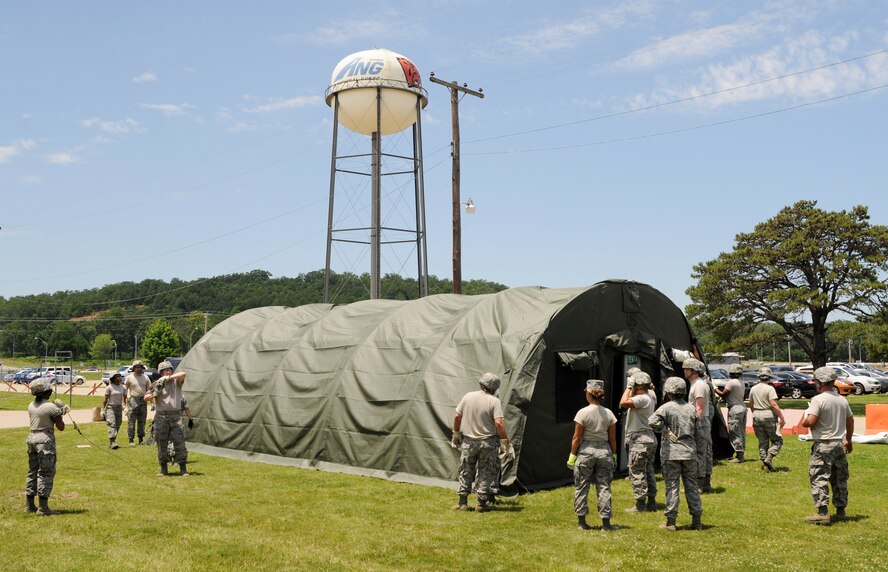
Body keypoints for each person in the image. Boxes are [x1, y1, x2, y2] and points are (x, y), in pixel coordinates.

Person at [451, 372, 514, 512]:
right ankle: (481, 503)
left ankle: (463, 502)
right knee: (486, 472)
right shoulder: (494, 401)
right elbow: (499, 423)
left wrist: (456, 433)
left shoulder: (468, 396)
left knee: (465, 470)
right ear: (494, 388)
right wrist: (505, 442)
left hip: (468, 442)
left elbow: (457, 415)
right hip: (488, 443)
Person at [800, 366, 854, 525]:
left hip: (823, 445)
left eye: (816, 380)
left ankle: (823, 513)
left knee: (819, 477)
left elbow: (810, 421)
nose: (815, 383)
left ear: (821, 382)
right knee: (839, 478)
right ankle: (841, 511)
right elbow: (850, 420)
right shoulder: (842, 399)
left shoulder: (818, 399)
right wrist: (848, 440)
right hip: (838, 444)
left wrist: (805, 420)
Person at [648, 376, 703, 531]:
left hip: (671, 453)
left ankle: (671, 522)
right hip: (689, 453)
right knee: (691, 486)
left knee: (672, 486)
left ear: (669, 391)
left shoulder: (666, 408)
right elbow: (699, 433)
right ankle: (697, 521)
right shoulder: (691, 408)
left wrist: (664, 430)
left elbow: (652, 421)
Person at [567, 379, 618, 531]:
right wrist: (614, 455)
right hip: (604, 451)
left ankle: (582, 522)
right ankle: (606, 524)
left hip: (586, 451)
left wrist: (572, 456)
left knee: (582, 486)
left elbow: (577, 437)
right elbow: (612, 438)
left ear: (589, 394)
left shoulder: (582, 412)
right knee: (604, 487)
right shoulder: (609, 413)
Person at [25, 377, 67, 515]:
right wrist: (60, 411)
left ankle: (29, 505)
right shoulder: (50, 407)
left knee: (33, 471)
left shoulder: (31, 405)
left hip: (31, 438)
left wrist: (58, 410)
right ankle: (43, 508)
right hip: (44, 440)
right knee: (46, 472)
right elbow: (61, 427)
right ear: (46, 392)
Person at [619, 371, 657, 512]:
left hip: (640, 440)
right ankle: (652, 502)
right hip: (649, 438)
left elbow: (623, 402)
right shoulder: (650, 396)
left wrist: (629, 387)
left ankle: (640, 504)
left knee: (637, 471)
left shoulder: (642, 398)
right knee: (648, 470)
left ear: (638, 386)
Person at [145, 360, 188, 476]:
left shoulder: (176, 382)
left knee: (179, 442)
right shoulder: (157, 384)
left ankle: (183, 468)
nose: (168, 372)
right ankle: (163, 469)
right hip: (161, 416)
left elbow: (183, 374)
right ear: (161, 372)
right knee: (161, 442)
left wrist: (169, 378)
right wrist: (153, 394)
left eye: (169, 369)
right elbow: (146, 397)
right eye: (165, 371)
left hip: (176, 415)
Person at [683, 357, 714, 493]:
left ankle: (699, 485)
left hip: (700, 422)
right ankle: (704, 484)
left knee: (699, 453)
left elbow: (699, 408)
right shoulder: (696, 383)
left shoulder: (699, 385)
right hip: (701, 422)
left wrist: (694, 424)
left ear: (695, 370)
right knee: (704, 452)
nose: (685, 371)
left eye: (687, 369)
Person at [748, 367, 786, 472]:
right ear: (769, 377)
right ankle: (769, 459)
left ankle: (765, 464)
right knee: (777, 440)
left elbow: (751, 404)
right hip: (768, 415)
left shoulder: (753, 388)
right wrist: (781, 417)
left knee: (762, 441)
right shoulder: (770, 389)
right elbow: (773, 404)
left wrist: (755, 413)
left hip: (756, 414)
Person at [715, 363, 747, 463]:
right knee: (741, 431)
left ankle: (739, 456)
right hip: (742, 407)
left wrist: (714, 388)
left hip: (735, 408)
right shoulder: (741, 382)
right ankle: (740, 453)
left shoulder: (731, 382)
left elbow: (723, 394)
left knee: (734, 431)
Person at [124, 360, 151, 445]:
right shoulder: (129, 377)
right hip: (133, 400)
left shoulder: (145, 377)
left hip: (143, 400)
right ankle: (131, 439)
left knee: (142, 421)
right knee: (131, 421)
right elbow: (125, 389)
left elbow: (149, 389)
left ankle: (141, 439)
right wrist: (126, 401)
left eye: (139, 367)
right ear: (133, 368)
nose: (138, 369)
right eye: (136, 367)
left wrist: (152, 402)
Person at [102, 372, 125, 449]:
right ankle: (113, 441)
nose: (119, 378)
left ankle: (112, 440)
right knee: (112, 423)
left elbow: (125, 398)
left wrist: (125, 407)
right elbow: (105, 400)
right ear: (113, 378)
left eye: (120, 376)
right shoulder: (109, 387)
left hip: (119, 407)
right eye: (117, 377)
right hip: (110, 407)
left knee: (118, 423)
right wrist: (103, 410)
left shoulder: (123, 387)